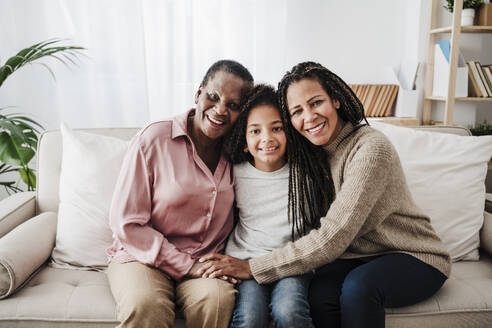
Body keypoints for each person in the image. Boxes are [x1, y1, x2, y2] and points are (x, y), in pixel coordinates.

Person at [198, 61, 451, 328]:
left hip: (411, 255)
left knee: (358, 289)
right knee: (319, 296)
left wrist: (252, 267)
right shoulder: (314, 153)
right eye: (297, 111)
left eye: (316, 103)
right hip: (357, 257)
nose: (308, 117)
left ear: (336, 100)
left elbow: (332, 236)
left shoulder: (370, 150)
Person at [105, 59, 253, 328]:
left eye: (233, 106)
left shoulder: (242, 152)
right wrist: (185, 265)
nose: (220, 110)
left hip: (204, 262)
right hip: (142, 257)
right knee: (146, 305)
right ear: (198, 93)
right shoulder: (153, 139)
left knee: (217, 300)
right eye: (213, 97)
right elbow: (126, 221)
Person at [223, 84, 315, 328]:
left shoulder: (306, 174)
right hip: (246, 261)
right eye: (255, 131)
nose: (267, 138)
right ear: (243, 141)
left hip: (292, 265)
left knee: (289, 311)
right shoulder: (234, 174)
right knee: (250, 319)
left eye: (276, 128)